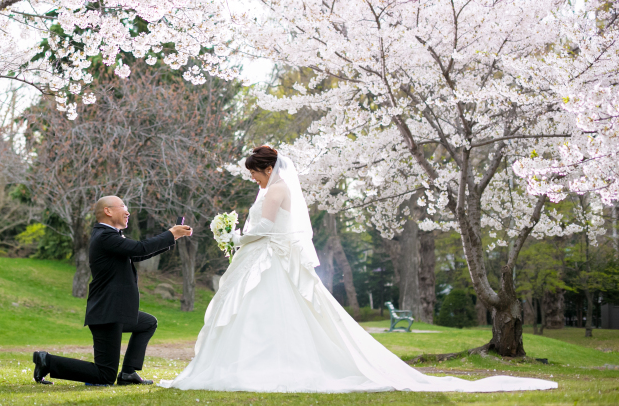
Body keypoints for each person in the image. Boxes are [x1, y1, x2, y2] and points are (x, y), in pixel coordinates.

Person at [160, 146, 557, 393]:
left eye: (254, 173)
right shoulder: (271, 188)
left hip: (268, 256)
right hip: (267, 254)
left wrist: (236, 237)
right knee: (263, 312)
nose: (253, 179)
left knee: (269, 311)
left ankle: (268, 365)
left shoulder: (276, 189)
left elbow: (263, 228)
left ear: (266, 170)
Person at [33, 195, 192, 386]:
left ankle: (127, 373)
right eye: (123, 206)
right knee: (104, 376)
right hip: (107, 313)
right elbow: (140, 248)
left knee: (147, 323)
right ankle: (47, 361)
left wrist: (172, 236)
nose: (128, 212)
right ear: (108, 211)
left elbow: (137, 254)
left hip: (115, 311)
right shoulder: (105, 236)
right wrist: (170, 233)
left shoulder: (109, 236)